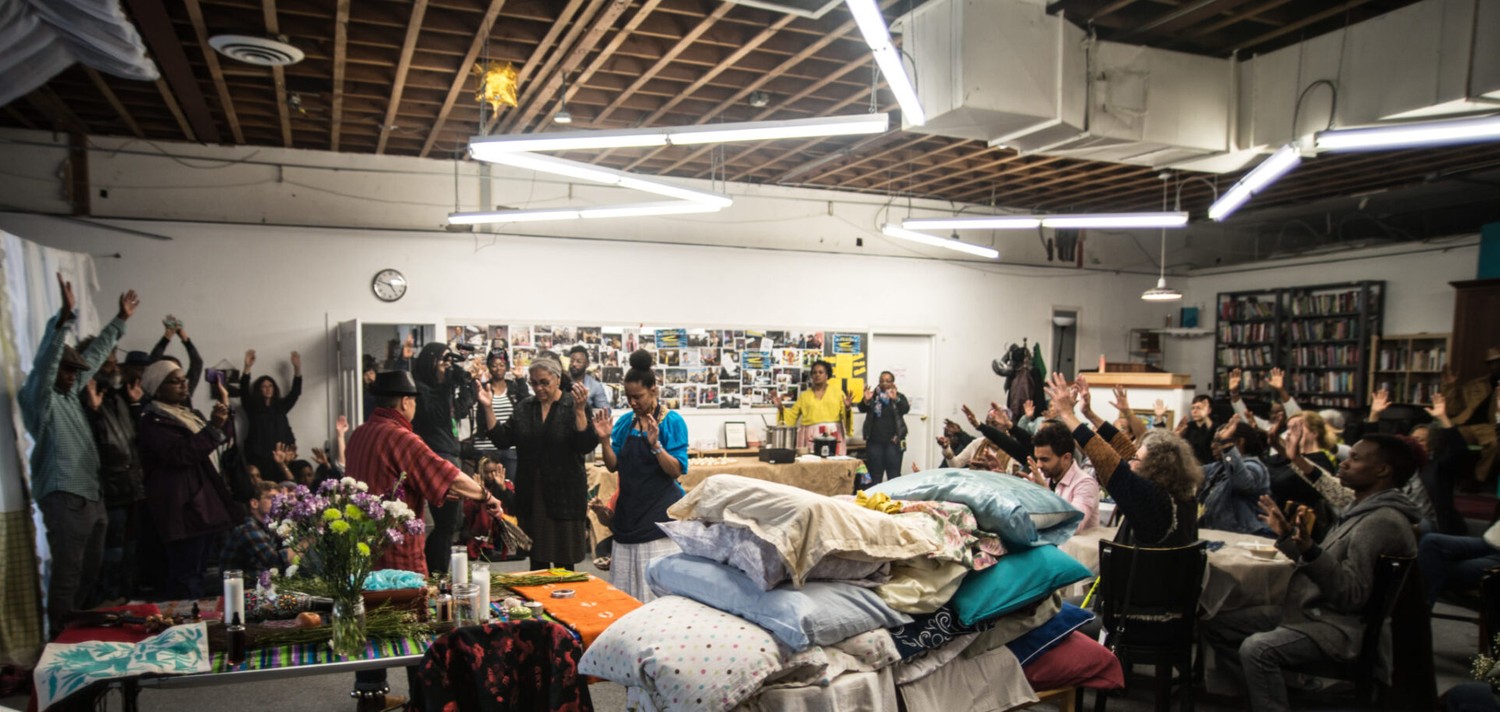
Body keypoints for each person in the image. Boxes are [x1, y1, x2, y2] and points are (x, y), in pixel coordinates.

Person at [1202, 434, 1423, 712]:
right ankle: (1279, 692)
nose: (1343, 464)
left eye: (1355, 459)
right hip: (1313, 611)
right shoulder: (1361, 509)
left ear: (1383, 470)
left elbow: (1351, 596)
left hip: (1339, 627)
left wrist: (1311, 549)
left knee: (1257, 649)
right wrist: (1289, 538)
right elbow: (1323, 565)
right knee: (1217, 623)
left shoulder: (1381, 522)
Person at [345, 370, 502, 711]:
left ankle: (370, 696)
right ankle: (425, 700)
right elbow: (445, 474)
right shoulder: (399, 437)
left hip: (360, 550)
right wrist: (486, 495)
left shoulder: (358, 434)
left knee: (370, 623)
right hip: (396, 551)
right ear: (406, 402)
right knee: (415, 631)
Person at [20, 275, 136, 634]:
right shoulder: (40, 400)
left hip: (91, 496)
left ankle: (75, 631)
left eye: (75, 372)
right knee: (68, 576)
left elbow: (94, 355)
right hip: (64, 497)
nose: (72, 376)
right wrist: (65, 318)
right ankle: (57, 639)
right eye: (67, 371)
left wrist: (120, 321)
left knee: (89, 570)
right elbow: (47, 365)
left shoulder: (70, 396)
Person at [1045, 373, 1202, 547]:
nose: (1130, 461)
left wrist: (1067, 414)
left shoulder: (1153, 501)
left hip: (1144, 573)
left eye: (1137, 459)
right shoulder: (1182, 496)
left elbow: (1107, 461)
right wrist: (1089, 414)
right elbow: (1126, 449)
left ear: (1155, 467)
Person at [479, 357, 599, 571]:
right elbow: (502, 440)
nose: (538, 388)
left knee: (564, 563)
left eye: (544, 382)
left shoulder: (573, 404)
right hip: (532, 493)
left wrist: (580, 412)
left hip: (565, 494)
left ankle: (564, 605)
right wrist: (488, 408)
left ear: (558, 378)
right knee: (537, 560)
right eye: (534, 383)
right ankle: (538, 604)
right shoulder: (526, 407)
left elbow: (585, 445)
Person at [589, 351, 687, 602]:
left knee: (654, 595)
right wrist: (604, 440)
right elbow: (613, 466)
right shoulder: (624, 423)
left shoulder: (671, 422)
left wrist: (656, 447)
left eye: (638, 396)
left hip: (657, 520)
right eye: (629, 397)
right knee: (625, 594)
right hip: (629, 516)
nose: (632, 402)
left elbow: (675, 470)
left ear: (654, 390)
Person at [137, 359, 237, 599]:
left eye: (184, 380)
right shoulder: (154, 421)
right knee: (186, 575)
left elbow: (218, 439)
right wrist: (213, 427)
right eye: (175, 381)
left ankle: (194, 621)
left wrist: (222, 415)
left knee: (200, 572)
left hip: (201, 502)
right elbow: (180, 454)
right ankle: (183, 626)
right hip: (183, 507)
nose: (183, 385)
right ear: (158, 387)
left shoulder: (187, 413)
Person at [78, 337, 145, 602]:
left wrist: (134, 406)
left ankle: (125, 598)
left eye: (113, 358)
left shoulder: (117, 397)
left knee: (130, 549)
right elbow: (92, 446)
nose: (112, 363)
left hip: (130, 484)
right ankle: (107, 600)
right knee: (111, 551)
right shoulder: (85, 399)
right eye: (105, 359)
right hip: (107, 487)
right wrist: (93, 411)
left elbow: (134, 440)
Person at [411, 342, 476, 574]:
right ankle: (435, 573)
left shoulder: (441, 390)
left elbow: (458, 410)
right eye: (444, 361)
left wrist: (469, 386)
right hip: (436, 460)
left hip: (449, 455)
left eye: (451, 361)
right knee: (445, 524)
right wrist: (448, 384)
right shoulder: (420, 390)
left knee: (453, 524)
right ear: (431, 363)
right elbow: (436, 416)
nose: (449, 366)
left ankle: (436, 572)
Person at [1198, 416, 1274, 537]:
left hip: (1251, 538)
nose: (1212, 446)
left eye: (1218, 441)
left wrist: (1227, 446)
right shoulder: (1219, 467)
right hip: (1224, 536)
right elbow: (1188, 473)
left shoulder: (1255, 467)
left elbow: (1242, 483)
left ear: (1239, 442)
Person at [1023, 421, 1101, 531]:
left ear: (1066, 458)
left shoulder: (1085, 483)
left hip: (1071, 547)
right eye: (1037, 459)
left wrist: (1046, 493)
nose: (1039, 465)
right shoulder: (1042, 474)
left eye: (1045, 459)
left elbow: (1074, 525)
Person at [239, 348, 302, 481]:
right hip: (259, 455)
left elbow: (295, 393)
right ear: (259, 389)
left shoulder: (280, 407)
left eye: (270, 386)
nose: (268, 389)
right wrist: (247, 367)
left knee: (283, 486)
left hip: (281, 455)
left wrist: (297, 369)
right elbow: (243, 391)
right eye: (264, 386)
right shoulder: (253, 408)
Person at [1440, 347, 1500, 482]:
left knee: (1495, 443)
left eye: (1498, 362)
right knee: (1443, 437)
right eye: (1492, 363)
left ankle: (1478, 478)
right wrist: (1450, 387)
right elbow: (1453, 410)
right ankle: (1444, 477)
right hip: (1464, 424)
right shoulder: (1476, 384)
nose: (1496, 366)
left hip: (1489, 427)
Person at [1417, 518, 1500, 608]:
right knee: (1431, 542)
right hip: (1489, 542)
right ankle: (1419, 614)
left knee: (1435, 570)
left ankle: (1419, 615)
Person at [774, 360, 852, 454]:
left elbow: (845, 416)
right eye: (814, 372)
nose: (817, 375)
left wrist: (847, 408)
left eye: (820, 372)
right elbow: (791, 417)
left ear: (827, 375)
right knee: (811, 464)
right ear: (811, 376)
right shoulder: (804, 396)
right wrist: (781, 408)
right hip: (810, 436)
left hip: (833, 435)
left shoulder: (838, 393)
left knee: (833, 464)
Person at [219, 481, 286, 582]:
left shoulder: (270, 528)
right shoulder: (248, 528)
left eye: (279, 498)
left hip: (258, 587)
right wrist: (309, 539)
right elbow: (274, 561)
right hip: (239, 590)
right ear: (254, 503)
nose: (278, 502)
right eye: (272, 498)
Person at [858, 371, 910, 484]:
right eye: (881, 381)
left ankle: (894, 500)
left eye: (887, 381)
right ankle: (875, 499)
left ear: (893, 383)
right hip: (874, 442)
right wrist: (866, 400)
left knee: (894, 475)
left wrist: (895, 399)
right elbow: (862, 408)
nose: (884, 383)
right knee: (874, 475)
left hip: (894, 442)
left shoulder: (899, 396)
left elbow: (905, 409)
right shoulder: (873, 396)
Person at [1227, 367, 1303, 432]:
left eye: (1279, 413)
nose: (1275, 416)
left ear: (1287, 415)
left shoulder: (1292, 431)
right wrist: (1234, 392)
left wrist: (1281, 390)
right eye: (1273, 413)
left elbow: (1297, 415)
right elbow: (1243, 416)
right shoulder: (1266, 426)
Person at [149, 314, 204, 396]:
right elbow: (153, 364)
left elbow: (197, 363)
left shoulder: (185, 391)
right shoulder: (154, 393)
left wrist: (184, 337)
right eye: (175, 381)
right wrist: (167, 336)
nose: (182, 385)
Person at [568, 345, 611, 412]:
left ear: (587, 364)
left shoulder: (595, 386)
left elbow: (606, 411)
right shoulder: (561, 381)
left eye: (578, 361)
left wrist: (587, 412)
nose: (574, 364)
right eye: (572, 361)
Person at [1177, 394, 1217, 465]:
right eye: (1193, 408)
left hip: (1208, 466)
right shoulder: (1189, 426)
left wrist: (1205, 417)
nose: (1194, 411)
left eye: (1199, 408)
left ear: (1209, 410)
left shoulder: (1214, 426)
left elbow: (1211, 437)